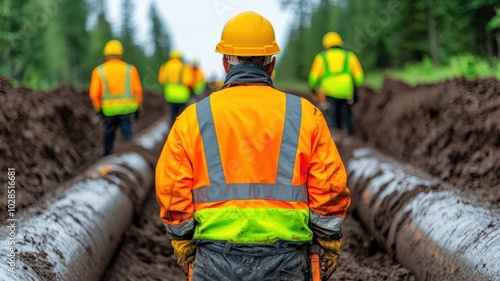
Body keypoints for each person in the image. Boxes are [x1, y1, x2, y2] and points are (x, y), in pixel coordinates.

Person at [156, 11, 350, 281]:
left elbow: (172, 190)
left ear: (225, 64)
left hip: (214, 261)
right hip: (288, 261)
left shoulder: (193, 119)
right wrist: (327, 244)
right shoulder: (305, 115)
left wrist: (186, 246)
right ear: (271, 65)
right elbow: (329, 188)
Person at [89, 39, 143, 156]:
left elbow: (94, 94)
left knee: (109, 137)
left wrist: (99, 110)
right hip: (127, 110)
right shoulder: (130, 69)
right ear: (120, 54)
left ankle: (107, 159)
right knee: (128, 136)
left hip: (108, 111)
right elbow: (138, 91)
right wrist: (138, 108)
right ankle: (131, 157)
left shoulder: (99, 71)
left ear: (106, 54)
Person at [308, 32, 364, 135]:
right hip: (346, 92)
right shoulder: (350, 56)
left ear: (326, 45)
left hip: (329, 93)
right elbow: (359, 79)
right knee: (347, 117)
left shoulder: (321, 57)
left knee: (332, 118)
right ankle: (351, 139)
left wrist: (313, 90)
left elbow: (313, 79)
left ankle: (335, 140)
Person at [158, 50, 193, 124]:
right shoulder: (184, 67)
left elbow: (161, 80)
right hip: (182, 96)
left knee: (173, 112)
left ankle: (172, 125)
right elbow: (189, 82)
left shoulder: (165, 66)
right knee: (181, 113)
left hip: (170, 95)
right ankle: (180, 127)